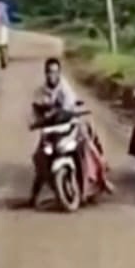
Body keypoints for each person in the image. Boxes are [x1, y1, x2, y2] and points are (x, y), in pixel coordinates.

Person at [26, 58, 112, 206]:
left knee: (87, 145)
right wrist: (34, 122)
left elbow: (70, 105)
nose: (51, 75)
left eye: (54, 72)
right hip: (50, 131)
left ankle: (102, 178)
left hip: (68, 126)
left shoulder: (65, 88)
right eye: (48, 72)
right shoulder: (40, 92)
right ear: (45, 73)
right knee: (40, 157)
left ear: (59, 73)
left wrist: (66, 112)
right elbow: (34, 112)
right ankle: (33, 197)